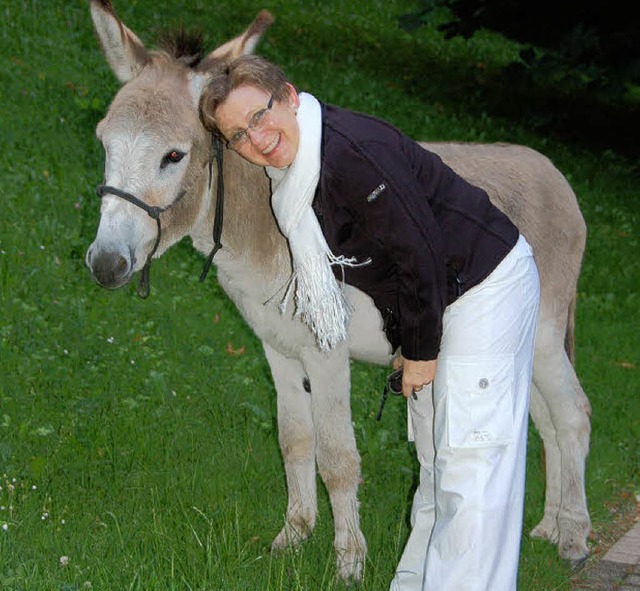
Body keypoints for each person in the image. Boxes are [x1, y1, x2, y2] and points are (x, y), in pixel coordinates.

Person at [200, 55, 540, 591]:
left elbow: (420, 252)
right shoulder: (294, 178)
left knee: (471, 469)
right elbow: (382, 268)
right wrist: (411, 339)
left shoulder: (351, 153)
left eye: (260, 116)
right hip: (437, 299)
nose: (256, 139)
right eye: (238, 135)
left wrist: (420, 351)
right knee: (437, 464)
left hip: (483, 284)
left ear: (288, 95)